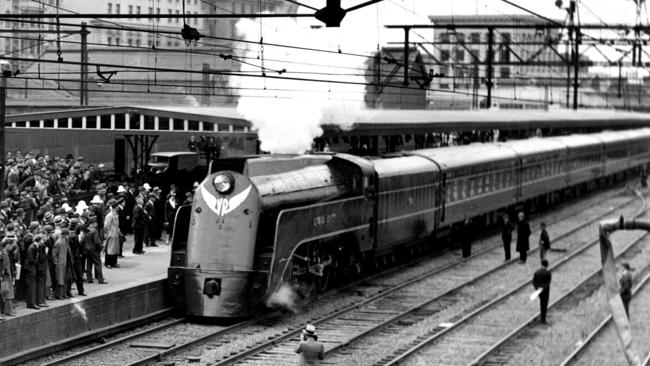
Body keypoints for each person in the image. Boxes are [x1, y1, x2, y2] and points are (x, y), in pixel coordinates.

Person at [52, 228, 71, 299]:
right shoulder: (58, 242)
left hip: (64, 263)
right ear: (64, 235)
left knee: (64, 279)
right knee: (60, 279)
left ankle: (63, 293)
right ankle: (59, 295)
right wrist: (56, 262)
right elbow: (54, 253)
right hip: (60, 264)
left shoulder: (64, 241)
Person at [533, 259, 552, 324]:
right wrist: (543, 288)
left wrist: (537, 289)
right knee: (544, 304)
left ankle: (542, 317)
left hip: (538, 290)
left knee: (541, 302)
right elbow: (548, 283)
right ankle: (543, 318)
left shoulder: (536, 272)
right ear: (547, 265)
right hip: (545, 291)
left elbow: (534, 282)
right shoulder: (548, 273)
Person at [103, 200, 121, 268]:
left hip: (116, 233)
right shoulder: (110, 215)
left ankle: (114, 262)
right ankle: (108, 263)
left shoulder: (115, 214)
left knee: (115, 249)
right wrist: (106, 233)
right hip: (111, 233)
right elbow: (106, 225)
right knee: (110, 248)